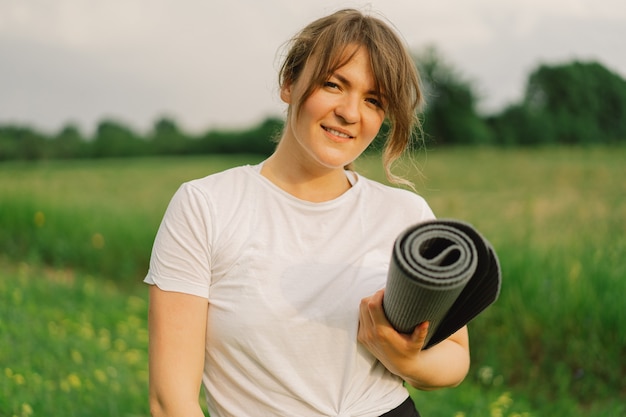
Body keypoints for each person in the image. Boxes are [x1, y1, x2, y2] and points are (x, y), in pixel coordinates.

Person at [145, 8, 470, 417]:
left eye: (373, 100)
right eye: (335, 84)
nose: (351, 113)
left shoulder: (406, 215)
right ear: (289, 82)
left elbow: (455, 357)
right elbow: (170, 401)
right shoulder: (206, 206)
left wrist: (406, 360)